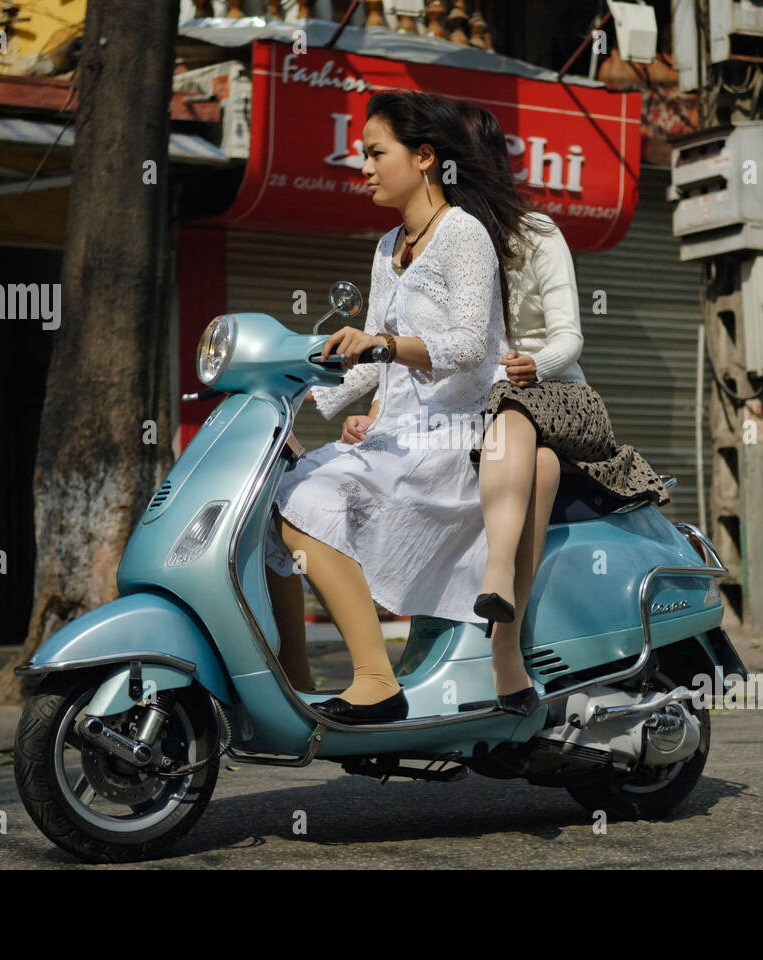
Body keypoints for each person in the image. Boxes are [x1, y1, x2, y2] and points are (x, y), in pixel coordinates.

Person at [261, 90, 534, 724]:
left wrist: (380, 343)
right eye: (363, 154)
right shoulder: (388, 246)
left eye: (376, 152)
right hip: (395, 434)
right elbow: (374, 354)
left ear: (424, 157)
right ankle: (295, 675)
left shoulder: (464, 234)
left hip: (452, 438)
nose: (363, 166)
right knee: (272, 494)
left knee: (306, 500)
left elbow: (471, 346)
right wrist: (297, 389)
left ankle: (375, 679)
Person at [458, 102, 672, 718]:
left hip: (561, 397)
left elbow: (570, 337)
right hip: (493, 419)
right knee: (541, 471)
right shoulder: (441, 244)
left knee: (515, 407)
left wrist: (534, 365)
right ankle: (507, 651)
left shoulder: (537, 234)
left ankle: (497, 573)